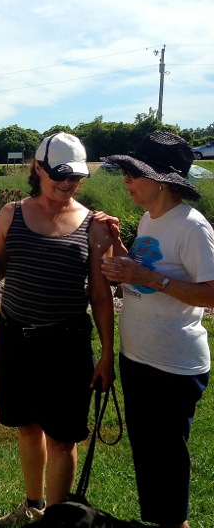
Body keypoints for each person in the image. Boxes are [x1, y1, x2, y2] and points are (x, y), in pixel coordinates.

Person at [0, 132, 115, 526]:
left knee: (63, 438)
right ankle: (34, 507)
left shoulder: (93, 226)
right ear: (38, 168)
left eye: (75, 179)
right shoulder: (13, 212)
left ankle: (58, 521)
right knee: (28, 427)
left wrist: (108, 354)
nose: (67, 186)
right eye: (59, 177)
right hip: (16, 337)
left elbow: (100, 296)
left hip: (67, 342)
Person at [100, 132, 213, 528]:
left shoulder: (192, 227)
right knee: (150, 460)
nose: (126, 180)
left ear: (161, 180)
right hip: (140, 360)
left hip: (172, 368)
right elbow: (143, 271)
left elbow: (212, 293)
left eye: (134, 173)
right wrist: (118, 246)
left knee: (166, 463)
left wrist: (148, 277)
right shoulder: (151, 218)